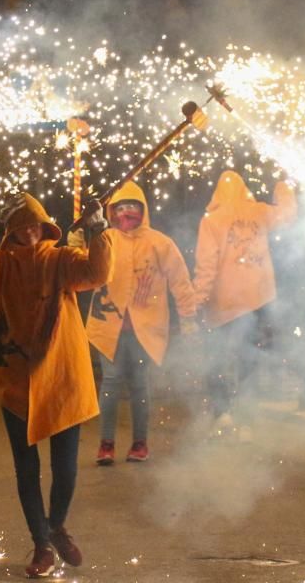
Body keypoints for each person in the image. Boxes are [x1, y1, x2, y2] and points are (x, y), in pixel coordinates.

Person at [0, 193, 111, 578]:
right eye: (19, 225)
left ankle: (56, 526)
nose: (28, 231)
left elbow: (98, 273)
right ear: (12, 230)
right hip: (17, 379)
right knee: (26, 469)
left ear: (44, 226)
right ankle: (41, 543)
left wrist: (98, 228)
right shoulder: (2, 263)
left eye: (33, 224)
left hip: (63, 377)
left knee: (66, 468)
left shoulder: (61, 259)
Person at [86, 181, 197, 464]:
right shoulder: (106, 240)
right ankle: (107, 444)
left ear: (143, 209)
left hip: (144, 330)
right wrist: (79, 241)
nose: (126, 213)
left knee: (138, 384)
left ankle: (139, 443)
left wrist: (188, 319)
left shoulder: (160, 243)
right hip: (109, 325)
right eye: (120, 208)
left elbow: (181, 282)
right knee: (110, 382)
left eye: (132, 207)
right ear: (111, 211)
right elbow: (85, 267)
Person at [192, 170, 296, 440]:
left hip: (223, 305)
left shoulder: (211, 221)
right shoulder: (259, 212)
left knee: (216, 358)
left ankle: (222, 414)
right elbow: (286, 215)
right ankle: (246, 422)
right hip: (257, 302)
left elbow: (206, 265)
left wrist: (196, 302)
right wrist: (284, 185)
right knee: (248, 361)